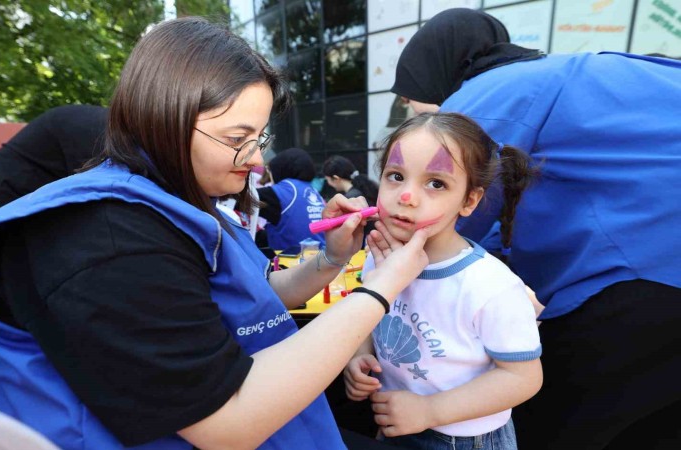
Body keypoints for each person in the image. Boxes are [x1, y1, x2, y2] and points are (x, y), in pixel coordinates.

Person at [0, 17, 432, 450]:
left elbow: (257, 298)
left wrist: (330, 259)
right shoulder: (108, 242)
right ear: (165, 117)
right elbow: (229, 426)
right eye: (235, 139)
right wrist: (383, 285)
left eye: (260, 138)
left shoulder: (177, 202)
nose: (257, 161)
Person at [392, 8, 681, 450]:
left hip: (638, 278)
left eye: (413, 101)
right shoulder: (576, 72)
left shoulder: (493, 91)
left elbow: (438, 221)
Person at [343, 112, 542, 449]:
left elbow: (523, 377)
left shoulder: (489, 285)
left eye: (436, 183)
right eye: (395, 176)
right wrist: (358, 356)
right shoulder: (379, 258)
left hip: (465, 439)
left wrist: (430, 410)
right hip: (396, 422)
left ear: (469, 200)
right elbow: (371, 319)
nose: (406, 196)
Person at [0, 104, 108, 210]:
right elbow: (92, 186)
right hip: (11, 178)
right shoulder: (101, 134)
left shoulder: (105, 127)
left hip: (31, 180)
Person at [256, 147, 326, 251]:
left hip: (292, 262)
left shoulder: (283, 192)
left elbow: (236, 198)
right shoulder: (314, 192)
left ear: (279, 170)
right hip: (322, 257)